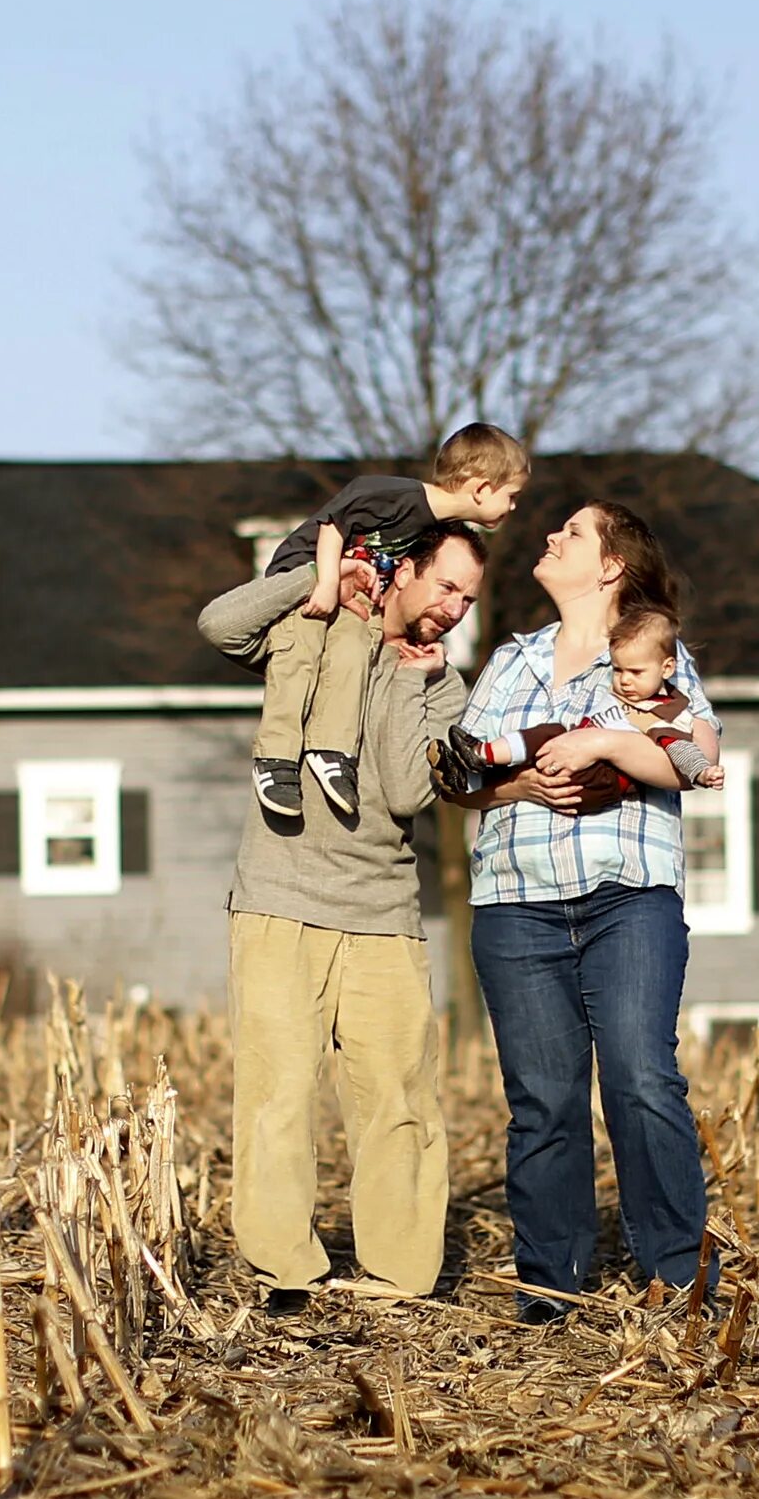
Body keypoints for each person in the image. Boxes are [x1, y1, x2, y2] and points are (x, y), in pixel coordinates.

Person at [441, 502, 720, 1324]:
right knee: (543, 1099)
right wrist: (519, 784)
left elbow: (696, 760)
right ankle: (551, 1283)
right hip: (515, 901)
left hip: (626, 894)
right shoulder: (509, 661)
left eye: (571, 533)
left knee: (640, 1077)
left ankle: (675, 1272)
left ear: (609, 566)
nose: (551, 538)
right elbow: (460, 775)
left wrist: (600, 744)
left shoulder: (653, 657)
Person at [198, 517, 486, 1313]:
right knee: (278, 1094)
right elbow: (220, 624)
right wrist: (322, 581)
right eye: (447, 585)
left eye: (469, 597)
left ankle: (399, 1277)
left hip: (384, 914)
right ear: (402, 571)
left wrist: (418, 679)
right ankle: (284, 1268)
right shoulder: (312, 624)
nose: (456, 608)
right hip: (279, 900)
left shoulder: (444, 686)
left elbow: (400, 791)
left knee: (398, 1102)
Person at [251, 424, 527, 822]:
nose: (514, 507)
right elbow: (333, 525)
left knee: (350, 652)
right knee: (301, 664)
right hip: (306, 582)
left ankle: (329, 752)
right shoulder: (396, 496)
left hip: (348, 599)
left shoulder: (427, 530)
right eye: (511, 496)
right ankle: (276, 759)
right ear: (482, 489)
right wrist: (325, 583)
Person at [438, 602, 723, 791]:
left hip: (600, 778)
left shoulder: (662, 714)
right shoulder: (617, 693)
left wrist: (702, 773)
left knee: (578, 766)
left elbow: (682, 750)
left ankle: (482, 766)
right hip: (569, 750)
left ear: (667, 668)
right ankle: (479, 755)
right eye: (618, 670)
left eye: (635, 672)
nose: (624, 680)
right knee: (550, 732)